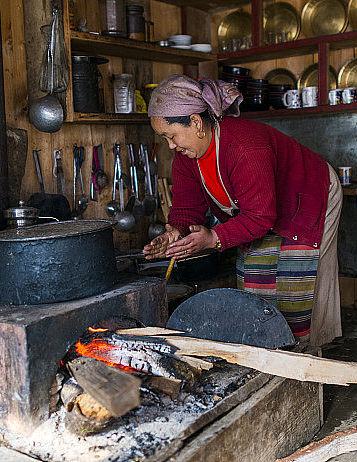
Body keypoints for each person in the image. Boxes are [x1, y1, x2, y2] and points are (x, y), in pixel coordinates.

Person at [143, 75, 343, 346]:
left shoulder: (244, 147)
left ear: (196, 122)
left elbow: (260, 217)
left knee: (295, 286)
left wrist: (213, 238)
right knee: (254, 283)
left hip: (306, 197)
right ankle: (266, 352)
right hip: (260, 211)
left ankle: (303, 358)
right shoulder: (186, 158)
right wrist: (174, 233)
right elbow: (186, 208)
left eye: (171, 136)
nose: (171, 145)